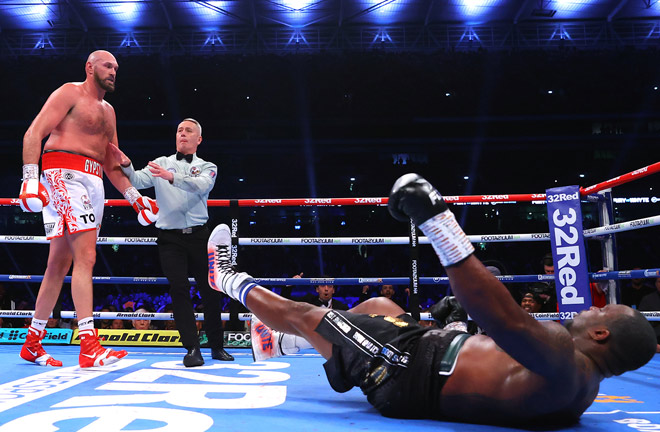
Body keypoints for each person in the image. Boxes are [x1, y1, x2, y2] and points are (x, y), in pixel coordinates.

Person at [206, 173, 656, 426]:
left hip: (406, 370)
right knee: (380, 310)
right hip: (425, 352)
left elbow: (497, 314)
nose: (589, 308)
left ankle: (226, 277)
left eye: (599, 311)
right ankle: (284, 345)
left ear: (601, 334)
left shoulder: (564, 358)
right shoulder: (580, 392)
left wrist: (436, 220)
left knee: (307, 314)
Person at [18, 50, 159, 368]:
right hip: (62, 174)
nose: (113, 71)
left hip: (93, 181)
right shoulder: (70, 92)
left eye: (116, 68)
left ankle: (32, 341)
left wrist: (136, 197)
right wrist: (29, 178)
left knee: (59, 264)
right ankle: (89, 345)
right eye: (108, 66)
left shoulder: (109, 112)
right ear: (90, 67)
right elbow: (34, 133)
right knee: (87, 257)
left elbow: (112, 161)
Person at [108, 118, 233, 366]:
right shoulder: (161, 163)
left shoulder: (208, 166)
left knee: (210, 291)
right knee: (178, 290)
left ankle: (217, 347)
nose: (182, 134)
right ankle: (192, 349)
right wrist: (127, 165)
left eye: (188, 131)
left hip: (199, 236)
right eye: (179, 130)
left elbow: (202, 186)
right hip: (169, 239)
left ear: (198, 139)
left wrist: (172, 177)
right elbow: (139, 180)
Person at [638, 277, 660, 352]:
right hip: (655, 340)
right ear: (656, 284)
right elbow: (641, 323)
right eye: (659, 282)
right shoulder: (647, 300)